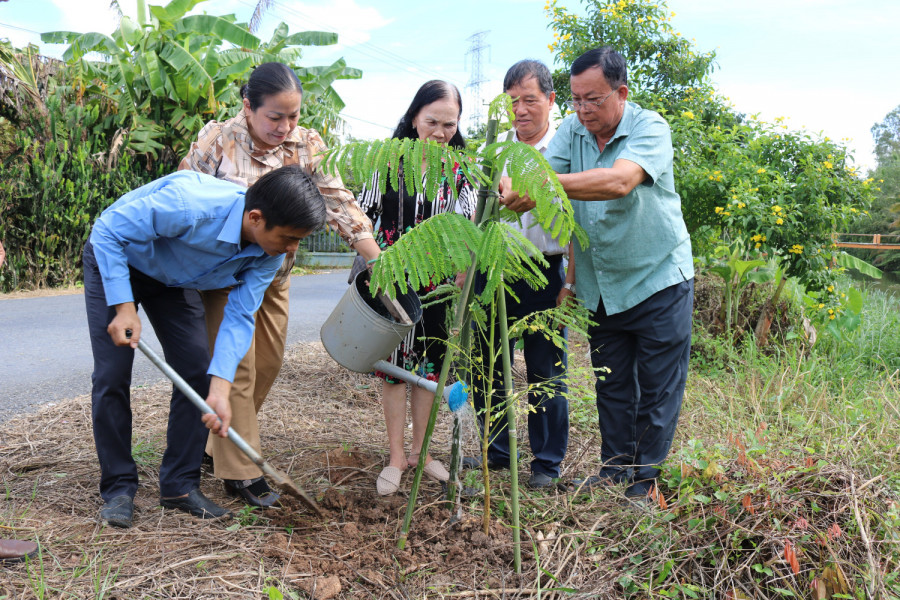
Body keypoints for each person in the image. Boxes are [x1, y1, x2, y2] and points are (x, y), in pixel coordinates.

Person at [179, 62, 380, 508]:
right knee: (240, 368)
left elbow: (338, 202)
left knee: (268, 363)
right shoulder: (218, 141)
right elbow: (185, 195)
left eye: (292, 116)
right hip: (225, 277)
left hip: (274, 272)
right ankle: (242, 471)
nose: (285, 127)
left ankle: (219, 443)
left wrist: (378, 263)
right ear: (248, 106)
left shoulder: (307, 145)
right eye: (275, 117)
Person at [84, 166, 326, 528]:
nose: (292, 249)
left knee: (199, 370)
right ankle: (119, 489)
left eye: (299, 241)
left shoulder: (269, 254)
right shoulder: (190, 206)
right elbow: (107, 230)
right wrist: (123, 306)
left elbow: (240, 316)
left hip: (173, 279)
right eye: (289, 237)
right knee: (112, 374)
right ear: (256, 218)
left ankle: (179, 486)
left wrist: (221, 389)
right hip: (119, 259)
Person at [501, 47, 694, 500]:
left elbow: (619, 181)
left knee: (658, 389)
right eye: (575, 100)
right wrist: (523, 184)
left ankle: (644, 482)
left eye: (593, 99)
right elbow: (543, 173)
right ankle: (614, 470)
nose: (583, 110)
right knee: (611, 382)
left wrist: (540, 187)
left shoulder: (650, 128)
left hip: (658, 278)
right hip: (602, 284)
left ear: (620, 92)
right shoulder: (572, 132)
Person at [358, 80, 477, 495]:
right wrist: (378, 262)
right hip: (392, 283)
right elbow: (362, 215)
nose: (441, 132)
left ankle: (421, 452)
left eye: (450, 124)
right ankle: (394, 456)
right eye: (433, 121)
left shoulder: (461, 172)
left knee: (428, 371)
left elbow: (468, 230)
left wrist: (461, 270)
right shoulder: (388, 162)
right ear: (414, 118)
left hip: (437, 288)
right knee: (393, 372)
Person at [466, 60, 574, 490]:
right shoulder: (492, 150)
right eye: (513, 101)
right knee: (487, 365)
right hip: (493, 268)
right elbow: (470, 213)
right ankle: (497, 454)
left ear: (550, 100)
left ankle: (546, 464)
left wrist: (570, 283)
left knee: (546, 370)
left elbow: (576, 222)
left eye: (530, 100)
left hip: (545, 272)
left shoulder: (566, 149)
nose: (521, 110)